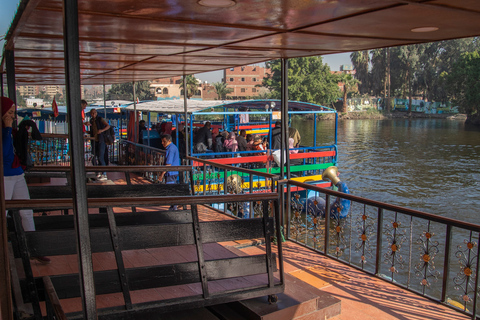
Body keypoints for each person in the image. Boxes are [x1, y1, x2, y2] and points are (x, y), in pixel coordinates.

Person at [1, 97, 50, 264]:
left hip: (17, 174)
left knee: (27, 212)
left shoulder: (12, 131)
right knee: (3, 212)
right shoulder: (5, 132)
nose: (13, 117)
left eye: (13, 113)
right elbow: (5, 154)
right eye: (9, 113)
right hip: (5, 176)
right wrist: (7, 129)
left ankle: (33, 248)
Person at [87, 109, 110, 181]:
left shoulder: (100, 119)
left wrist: (102, 130)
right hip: (94, 141)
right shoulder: (91, 121)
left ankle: (104, 173)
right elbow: (92, 131)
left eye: (95, 113)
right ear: (90, 114)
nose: (93, 114)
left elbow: (108, 126)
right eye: (92, 113)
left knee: (100, 157)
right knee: (93, 157)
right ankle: (97, 172)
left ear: (96, 113)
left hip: (101, 140)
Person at [159, 134, 180, 210]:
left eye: (164, 141)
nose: (162, 143)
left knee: (170, 189)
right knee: (172, 189)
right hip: (173, 172)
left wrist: (161, 174)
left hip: (171, 173)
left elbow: (168, 163)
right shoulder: (173, 147)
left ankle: (174, 206)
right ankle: (173, 205)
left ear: (169, 141)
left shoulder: (170, 149)